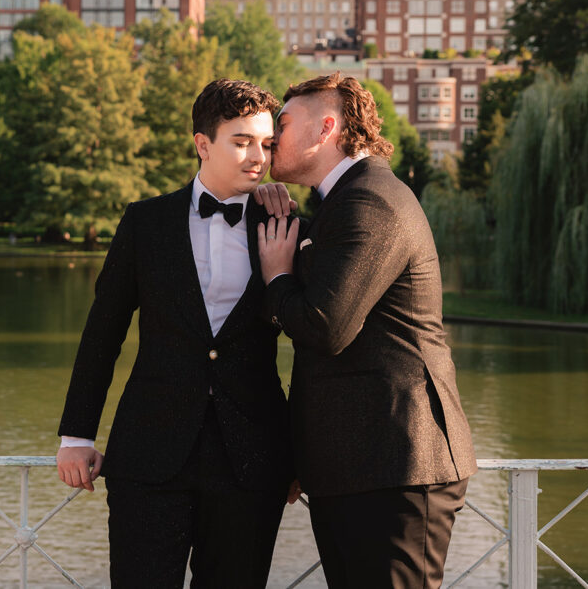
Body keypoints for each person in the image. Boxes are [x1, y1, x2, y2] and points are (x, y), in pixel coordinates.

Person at [56, 78, 293, 588]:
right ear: (202, 143)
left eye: (267, 144)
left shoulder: (286, 222)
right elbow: (103, 333)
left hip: (252, 461)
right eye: (242, 141)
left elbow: (316, 341)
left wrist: (300, 451)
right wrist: (76, 436)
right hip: (148, 458)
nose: (258, 156)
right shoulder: (144, 223)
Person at [256, 73, 477, 588]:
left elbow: (325, 325)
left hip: (398, 464)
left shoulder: (370, 200)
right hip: (362, 467)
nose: (271, 140)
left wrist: (277, 275)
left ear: (326, 128)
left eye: (283, 125)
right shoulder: (341, 203)